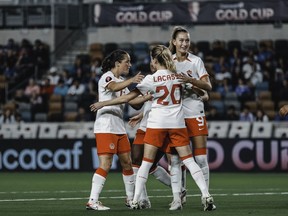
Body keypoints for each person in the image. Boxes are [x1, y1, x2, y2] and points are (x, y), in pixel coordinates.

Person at [90, 45, 214, 211]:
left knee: (146, 163)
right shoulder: (178, 76)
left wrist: (103, 103)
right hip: (177, 124)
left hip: (156, 125)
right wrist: (194, 84)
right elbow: (204, 92)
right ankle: (205, 194)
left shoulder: (150, 79)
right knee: (188, 161)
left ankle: (135, 199)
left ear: (155, 61)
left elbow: (128, 98)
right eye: (127, 62)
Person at [86, 49, 145, 211]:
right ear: (118, 63)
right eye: (127, 61)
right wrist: (132, 80)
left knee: (127, 163)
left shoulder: (122, 81)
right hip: (106, 127)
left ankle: (130, 199)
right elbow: (113, 87)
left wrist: (150, 94)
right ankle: (92, 200)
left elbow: (135, 103)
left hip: (119, 128)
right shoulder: (107, 77)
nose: (130, 64)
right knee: (105, 163)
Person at [168, 26, 215, 210]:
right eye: (181, 40)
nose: (184, 43)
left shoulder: (196, 61)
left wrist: (190, 82)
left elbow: (208, 87)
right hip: (175, 115)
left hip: (195, 113)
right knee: (176, 160)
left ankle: (206, 197)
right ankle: (178, 197)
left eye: (187, 40)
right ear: (173, 42)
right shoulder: (168, 62)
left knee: (201, 159)